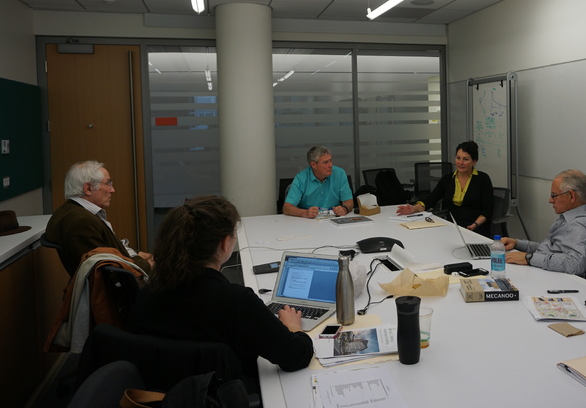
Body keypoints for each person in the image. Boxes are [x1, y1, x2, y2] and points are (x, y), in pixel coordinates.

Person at [130, 195, 313, 383]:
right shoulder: (237, 302)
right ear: (225, 243)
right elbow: (296, 356)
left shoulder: (146, 295)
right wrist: (293, 327)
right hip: (225, 393)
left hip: (162, 394)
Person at [45, 160, 153, 276]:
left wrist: (136, 253)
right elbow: (107, 270)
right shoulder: (80, 221)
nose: (112, 190)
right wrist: (146, 264)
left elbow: (108, 249)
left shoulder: (71, 210)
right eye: (108, 184)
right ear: (88, 189)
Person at [502, 169, 586, 275]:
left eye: (554, 195)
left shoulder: (579, 225)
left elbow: (575, 264)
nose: (550, 200)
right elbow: (550, 248)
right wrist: (517, 243)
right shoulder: (575, 217)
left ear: (571, 196)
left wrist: (528, 258)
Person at [396, 141, 494, 236]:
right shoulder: (447, 179)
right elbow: (430, 199)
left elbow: (487, 210)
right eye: (458, 158)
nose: (460, 162)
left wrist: (475, 224)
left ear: (474, 161)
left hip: (476, 229)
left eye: (465, 159)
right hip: (451, 227)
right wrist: (414, 209)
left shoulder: (483, 179)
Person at [283, 146, 354, 218]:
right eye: (326, 162)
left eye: (330, 160)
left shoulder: (339, 174)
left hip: (333, 218)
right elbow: (287, 208)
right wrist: (305, 213)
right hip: (308, 220)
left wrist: (344, 209)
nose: (330, 165)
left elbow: (348, 202)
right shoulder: (301, 178)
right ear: (313, 164)